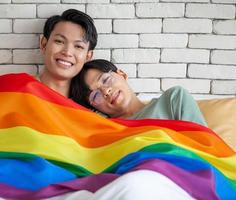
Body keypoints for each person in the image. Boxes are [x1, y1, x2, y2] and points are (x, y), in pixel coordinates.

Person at [70, 59, 207, 126]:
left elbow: (205, 144)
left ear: (122, 74)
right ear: (94, 108)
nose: (106, 91)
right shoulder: (105, 130)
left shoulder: (174, 99)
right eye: (95, 95)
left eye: (105, 80)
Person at [39, 9, 97, 97]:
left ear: (88, 57)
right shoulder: (15, 89)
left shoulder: (89, 107)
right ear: (44, 44)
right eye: (59, 41)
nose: (67, 52)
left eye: (78, 46)